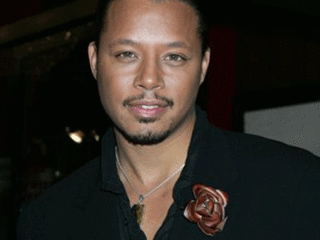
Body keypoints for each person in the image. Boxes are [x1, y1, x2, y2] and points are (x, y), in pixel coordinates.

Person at [17, 0, 320, 239]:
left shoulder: (296, 188)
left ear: (203, 65)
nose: (149, 79)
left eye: (173, 57)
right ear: (95, 61)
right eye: (126, 54)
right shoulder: (45, 219)